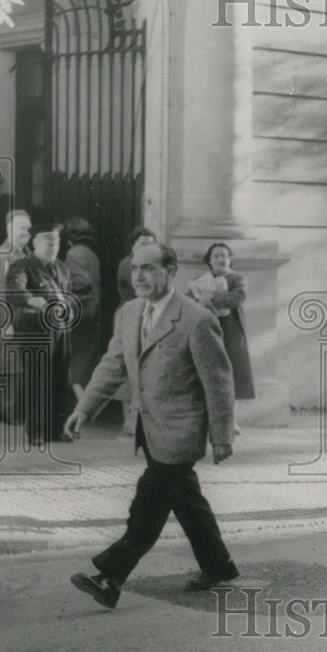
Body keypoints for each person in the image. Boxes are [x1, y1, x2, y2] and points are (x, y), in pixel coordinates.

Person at [65, 243, 239, 610]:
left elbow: (219, 383)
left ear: (171, 272)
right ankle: (219, 566)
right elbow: (113, 365)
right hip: (149, 427)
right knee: (187, 502)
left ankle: (110, 577)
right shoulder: (129, 312)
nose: (139, 276)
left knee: (148, 505)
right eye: (134, 269)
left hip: (180, 431)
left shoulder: (196, 319)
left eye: (148, 268)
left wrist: (222, 437)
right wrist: (85, 408)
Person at [6, 223, 75, 444]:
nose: (53, 247)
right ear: (35, 244)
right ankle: (35, 432)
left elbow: (67, 294)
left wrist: (69, 308)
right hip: (36, 330)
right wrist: (32, 300)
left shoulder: (62, 268)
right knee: (37, 380)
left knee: (59, 378)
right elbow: (16, 290)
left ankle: (56, 429)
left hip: (60, 329)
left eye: (56, 243)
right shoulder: (22, 266)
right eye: (47, 243)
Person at [186, 243, 255, 400]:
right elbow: (188, 300)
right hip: (206, 327)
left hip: (231, 328)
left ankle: (232, 417)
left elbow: (238, 298)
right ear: (209, 260)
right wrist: (198, 299)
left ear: (230, 259)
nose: (220, 259)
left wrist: (209, 297)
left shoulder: (237, 278)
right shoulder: (200, 280)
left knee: (232, 369)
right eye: (216, 256)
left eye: (224, 255)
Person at [0, 209, 32, 419]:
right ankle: (6, 411)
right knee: (8, 364)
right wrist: (5, 323)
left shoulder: (27, 255)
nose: (26, 232)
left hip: (26, 318)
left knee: (22, 365)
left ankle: (19, 410)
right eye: (21, 228)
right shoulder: (0, 256)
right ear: (9, 229)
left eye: (27, 228)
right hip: (9, 317)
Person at [114, 226, 158, 434]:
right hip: (129, 315)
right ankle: (128, 420)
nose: (147, 247)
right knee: (127, 364)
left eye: (150, 243)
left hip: (148, 314)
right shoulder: (127, 265)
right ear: (133, 246)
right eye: (142, 243)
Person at [63, 217, 103, 401]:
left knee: (76, 355)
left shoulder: (74, 254)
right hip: (93, 309)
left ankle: (83, 400)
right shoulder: (91, 253)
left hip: (80, 310)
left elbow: (81, 281)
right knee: (85, 355)